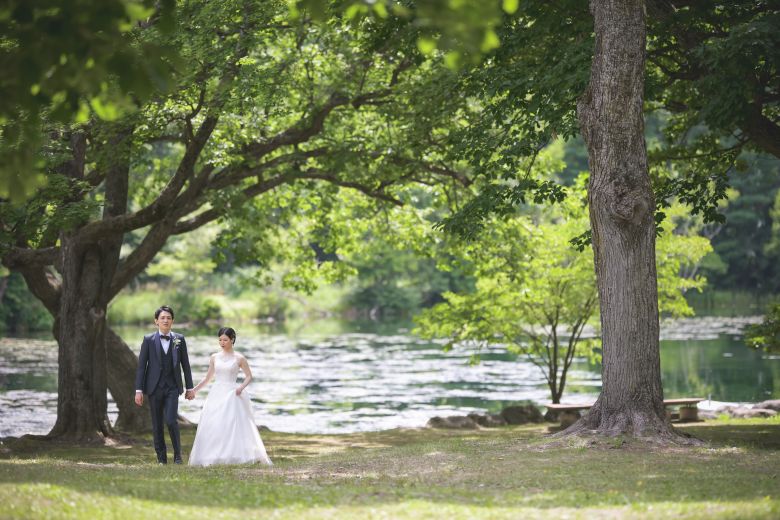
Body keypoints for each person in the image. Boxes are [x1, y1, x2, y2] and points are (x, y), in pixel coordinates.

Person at [189, 327, 272, 467]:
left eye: (225, 340)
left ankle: (234, 454)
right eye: (220, 340)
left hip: (232, 393)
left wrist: (241, 387)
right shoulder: (214, 357)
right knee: (214, 423)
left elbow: (249, 376)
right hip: (217, 393)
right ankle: (211, 455)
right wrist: (194, 390)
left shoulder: (239, 358)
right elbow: (208, 378)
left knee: (231, 423)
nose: (222, 342)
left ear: (232, 340)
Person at [134, 305, 194, 464]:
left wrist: (190, 388)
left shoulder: (179, 339)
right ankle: (161, 458)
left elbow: (185, 365)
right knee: (156, 424)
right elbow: (142, 366)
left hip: (173, 387)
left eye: (168, 318)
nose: (165, 320)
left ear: (172, 321)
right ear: (156, 321)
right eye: (162, 318)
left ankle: (178, 455)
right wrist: (138, 390)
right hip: (153, 388)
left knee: (171, 419)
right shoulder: (148, 340)